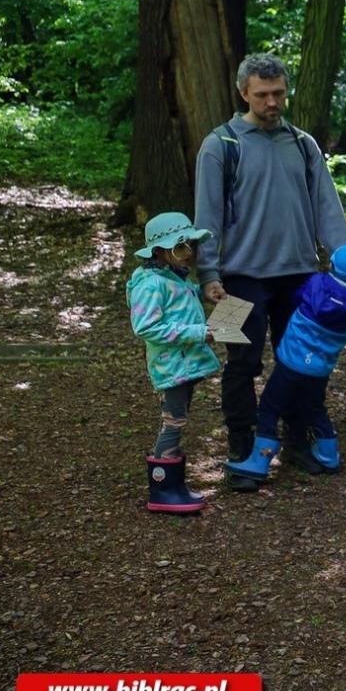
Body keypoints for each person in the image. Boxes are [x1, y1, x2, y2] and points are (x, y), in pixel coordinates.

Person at [194, 53, 346, 493]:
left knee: (302, 358)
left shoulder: (303, 144)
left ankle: (297, 438)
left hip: (300, 275)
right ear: (244, 93)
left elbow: (328, 209)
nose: (272, 102)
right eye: (262, 95)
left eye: (278, 93)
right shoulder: (221, 144)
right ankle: (242, 447)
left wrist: (344, 265)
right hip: (236, 277)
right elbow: (205, 214)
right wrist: (207, 273)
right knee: (240, 363)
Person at [225, 243, 346, 482]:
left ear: (332, 264)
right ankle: (328, 455)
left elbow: (295, 297)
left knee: (270, 408)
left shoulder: (316, 283)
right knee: (314, 407)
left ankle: (259, 461)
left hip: (291, 363)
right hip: (319, 369)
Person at [128, 212, 221, 515]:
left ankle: (173, 485)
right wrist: (199, 332)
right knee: (173, 422)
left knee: (177, 420)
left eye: (191, 245)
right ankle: (163, 489)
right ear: (159, 252)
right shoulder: (151, 283)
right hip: (172, 367)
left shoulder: (174, 277)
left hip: (185, 364)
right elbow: (146, 327)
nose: (189, 253)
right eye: (181, 247)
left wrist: (206, 295)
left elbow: (180, 306)